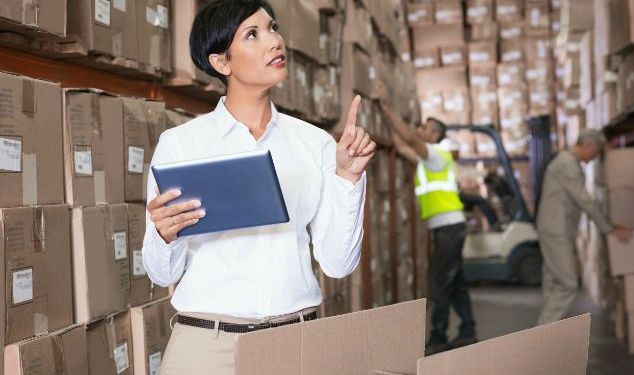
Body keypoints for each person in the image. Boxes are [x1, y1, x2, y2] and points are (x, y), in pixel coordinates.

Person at [141, 1, 376, 373]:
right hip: (207, 349)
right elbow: (161, 274)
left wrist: (348, 177)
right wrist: (163, 235)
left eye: (273, 27)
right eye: (253, 34)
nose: (274, 42)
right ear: (222, 62)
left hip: (297, 345)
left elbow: (338, 264)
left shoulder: (315, 144)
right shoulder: (181, 145)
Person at [377, 97, 477, 355]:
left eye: (425, 127)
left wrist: (387, 104)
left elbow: (409, 140)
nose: (420, 129)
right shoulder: (427, 160)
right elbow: (401, 144)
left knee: (440, 283)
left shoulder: (437, 156)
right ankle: (468, 330)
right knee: (455, 282)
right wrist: (380, 113)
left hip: (450, 228)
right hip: (447, 228)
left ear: (433, 134)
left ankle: (438, 337)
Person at [536, 129, 631, 325]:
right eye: (596, 152)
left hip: (556, 228)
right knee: (569, 283)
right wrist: (609, 228)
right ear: (588, 145)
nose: (596, 157)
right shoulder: (566, 165)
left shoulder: (568, 163)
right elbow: (584, 200)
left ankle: (543, 333)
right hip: (556, 230)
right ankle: (542, 331)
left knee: (553, 280)